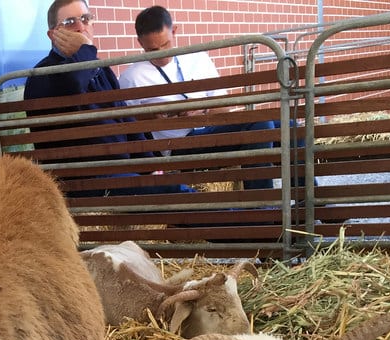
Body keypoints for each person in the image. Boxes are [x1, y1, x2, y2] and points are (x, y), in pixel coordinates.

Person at [23, 0, 191, 196]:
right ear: (53, 34)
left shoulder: (100, 67)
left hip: (119, 174)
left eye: (86, 19)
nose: (81, 27)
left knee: (176, 189)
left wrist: (152, 165)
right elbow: (74, 83)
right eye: (69, 22)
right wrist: (85, 47)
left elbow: (125, 119)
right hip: (83, 181)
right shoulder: (43, 74)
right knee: (180, 195)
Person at [119, 6, 279, 191]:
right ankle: (262, 209)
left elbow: (223, 109)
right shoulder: (131, 76)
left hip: (209, 129)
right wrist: (156, 117)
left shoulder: (198, 57)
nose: (161, 55)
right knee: (260, 126)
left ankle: (305, 206)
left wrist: (201, 110)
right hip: (178, 144)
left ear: (174, 31)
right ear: (140, 43)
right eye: (152, 50)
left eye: (165, 45)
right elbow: (127, 126)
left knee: (289, 126)